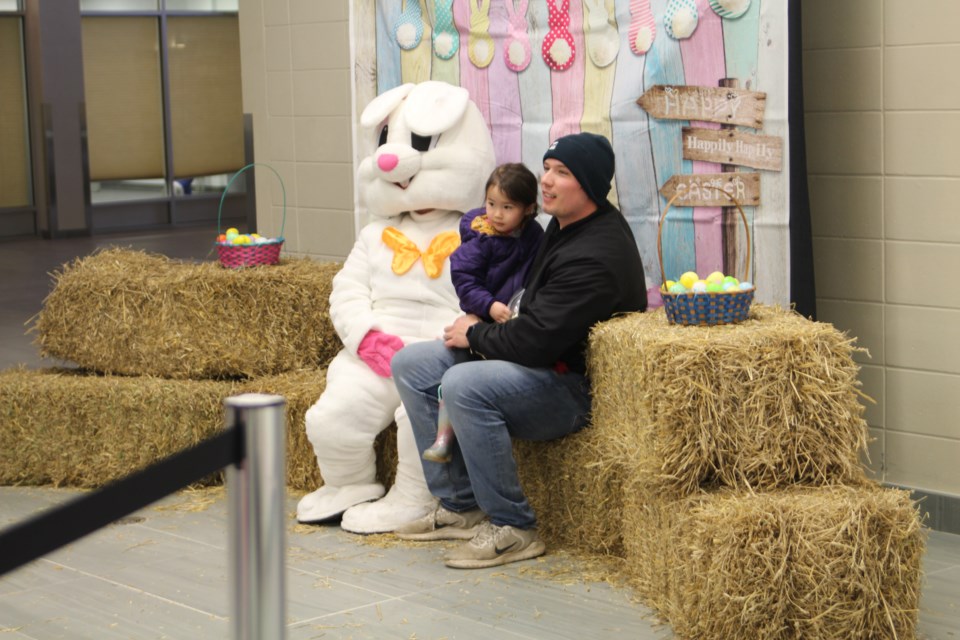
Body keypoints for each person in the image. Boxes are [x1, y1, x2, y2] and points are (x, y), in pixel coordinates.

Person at [390, 132, 648, 569]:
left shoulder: (595, 254)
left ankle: (513, 527)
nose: (545, 180)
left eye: (561, 173)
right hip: (538, 360)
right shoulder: (562, 225)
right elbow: (525, 311)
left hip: (571, 388)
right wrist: (482, 315)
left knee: (463, 384)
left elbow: (534, 341)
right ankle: (460, 504)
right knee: (412, 364)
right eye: (547, 168)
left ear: (588, 184)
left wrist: (474, 336)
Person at [423, 163, 544, 463]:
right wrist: (487, 305)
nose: (497, 214)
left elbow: (538, 272)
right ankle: (443, 437)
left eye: (507, 207)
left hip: (512, 317)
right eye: (491, 204)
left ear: (528, 209)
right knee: (459, 372)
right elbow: (464, 280)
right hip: (484, 314)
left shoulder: (534, 234)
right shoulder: (480, 235)